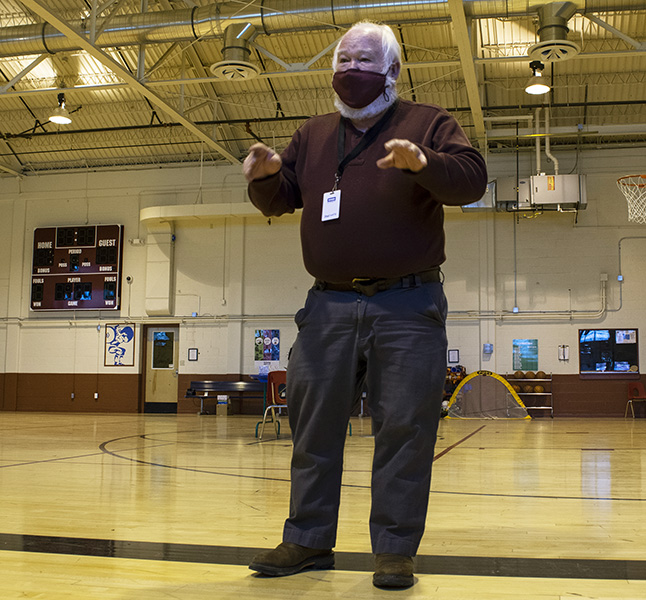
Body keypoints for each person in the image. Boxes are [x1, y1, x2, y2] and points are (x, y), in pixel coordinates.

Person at [242, 21, 487, 589]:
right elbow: (283, 200)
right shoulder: (313, 133)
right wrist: (265, 178)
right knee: (313, 427)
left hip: (408, 304)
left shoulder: (429, 122)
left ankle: (394, 551)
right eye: (343, 59)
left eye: (363, 60)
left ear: (393, 70)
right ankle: (306, 541)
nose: (350, 70)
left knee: (404, 429)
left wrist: (425, 163)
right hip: (326, 307)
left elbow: (472, 180)